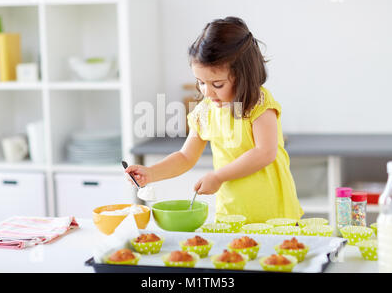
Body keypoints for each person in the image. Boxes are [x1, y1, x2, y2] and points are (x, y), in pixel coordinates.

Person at [125, 16, 303, 223]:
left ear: (243, 75)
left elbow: (265, 152)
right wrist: (151, 173)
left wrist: (218, 177)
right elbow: (185, 157)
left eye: (217, 84)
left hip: (276, 215)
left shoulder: (259, 103)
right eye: (200, 82)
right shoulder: (205, 112)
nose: (207, 92)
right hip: (231, 214)